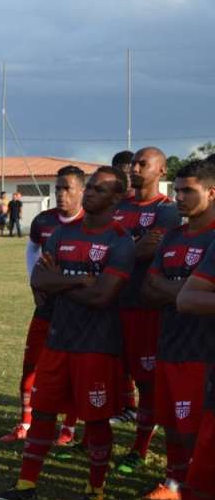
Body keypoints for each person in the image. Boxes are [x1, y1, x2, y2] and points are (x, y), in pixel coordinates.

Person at [0, 167, 135, 500]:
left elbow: (103, 296)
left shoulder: (120, 241)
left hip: (97, 346)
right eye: (90, 187)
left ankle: (94, 490)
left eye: (99, 189)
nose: (90, 192)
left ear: (116, 198)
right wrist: (80, 280)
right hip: (57, 339)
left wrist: (61, 284)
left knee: (96, 419)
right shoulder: (61, 234)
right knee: (42, 412)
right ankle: (26, 483)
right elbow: (39, 281)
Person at [136, 191, 215, 500]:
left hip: (198, 354)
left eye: (190, 190)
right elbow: (184, 297)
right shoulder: (177, 237)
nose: (181, 197)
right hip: (183, 352)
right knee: (201, 475)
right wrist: (178, 291)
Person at [110, 147, 182, 496]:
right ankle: (91, 440)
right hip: (112, 305)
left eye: (143, 164)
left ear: (161, 170)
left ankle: (139, 449)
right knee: (111, 375)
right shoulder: (118, 206)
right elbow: (118, 248)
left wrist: (119, 251)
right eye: (134, 164)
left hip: (145, 308)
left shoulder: (167, 210)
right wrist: (131, 248)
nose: (135, 169)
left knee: (149, 382)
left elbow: (150, 250)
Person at [0, 166, 85, 448]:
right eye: (58, 188)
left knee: (72, 374)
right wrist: (34, 284)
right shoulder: (44, 220)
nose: (61, 193)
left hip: (78, 312)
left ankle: (68, 428)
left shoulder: (91, 223)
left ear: (81, 191)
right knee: (31, 367)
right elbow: (32, 249)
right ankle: (25, 423)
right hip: (46, 309)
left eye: (67, 188)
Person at [110, 150, 139, 426]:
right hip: (111, 293)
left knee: (142, 357)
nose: (128, 176)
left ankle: (148, 411)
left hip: (142, 294)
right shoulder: (112, 206)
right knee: (117, 354)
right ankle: (127, 406)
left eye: (131, 170)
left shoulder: (159, 207)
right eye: (122, 171)